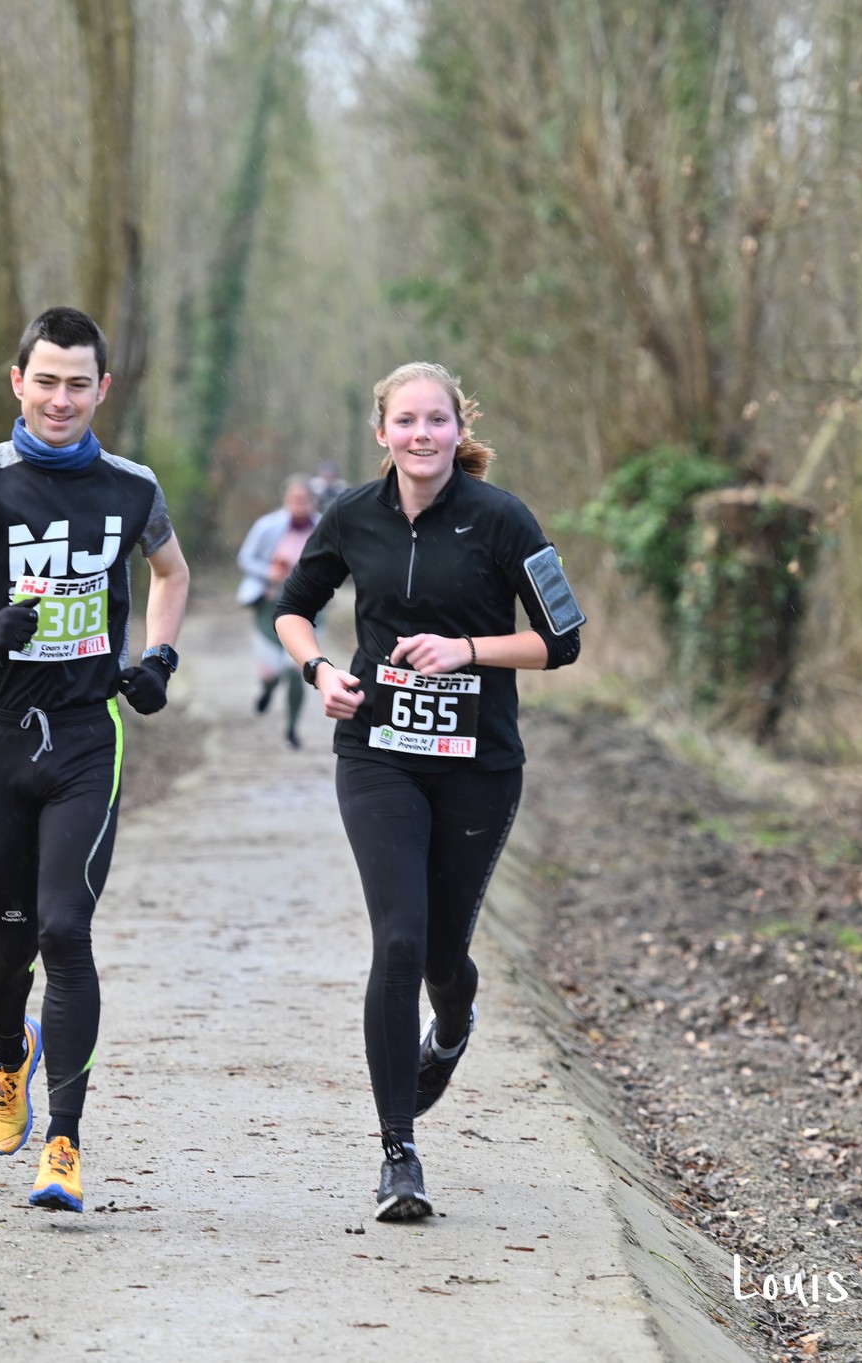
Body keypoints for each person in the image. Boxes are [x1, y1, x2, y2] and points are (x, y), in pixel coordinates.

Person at [0, 306, 189, 1213]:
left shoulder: (133, 487)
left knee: (65, 929)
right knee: (9, 938)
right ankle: (9, 1051)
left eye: (78, 383)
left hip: (91, 734)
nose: (61, 398)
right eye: (44, 380)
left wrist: (159, 657)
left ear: (102, 389)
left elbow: (171, 572)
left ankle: (64, 1146)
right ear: (18, 382)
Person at [273, 362, 584, 1222]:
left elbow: (563, 641)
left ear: (458, 428)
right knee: (399, 941)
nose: (421, 434)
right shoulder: (350, 517)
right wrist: (320, 669)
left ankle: (451, 1027)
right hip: (379, 755)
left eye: (436, 420)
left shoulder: (502, 518)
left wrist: (470, 650)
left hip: (479, 764)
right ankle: (399, 1154)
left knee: (445, 957)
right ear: (382, 433)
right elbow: (292, 609)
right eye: (405, 420)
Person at [234, 476, 321, 747]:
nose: (299, 504)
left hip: (309, 610)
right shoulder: (268, 526)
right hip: (269, 607)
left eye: (304, 499)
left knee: (298, 669)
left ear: (312, 501)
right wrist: (270, 571)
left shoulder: (323, 528)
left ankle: (292, 729)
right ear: (286, 499)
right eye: (294, 499)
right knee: (272, 671)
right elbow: (245, 558)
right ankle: (267, 689)